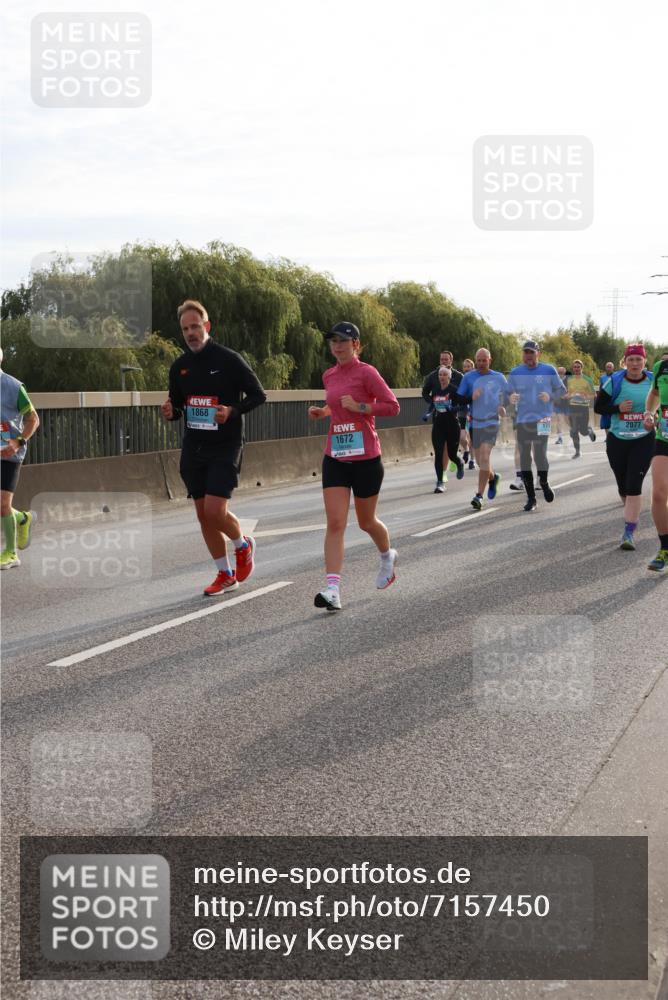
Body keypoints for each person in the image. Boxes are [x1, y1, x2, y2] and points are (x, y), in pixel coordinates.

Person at [161, 299, 267, 595]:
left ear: (206, 327)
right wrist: (172, 413)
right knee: (202, 514)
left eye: (195, 326)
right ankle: (224, 574)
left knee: (215, 510)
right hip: (194, 447)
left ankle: (242, 544)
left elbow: (259, 395)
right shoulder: (179, 367)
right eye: (185, 329)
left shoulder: (229, 359)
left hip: (226, 444)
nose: (191, 333)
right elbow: (179, 407)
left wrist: (231, 411)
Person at [308, 321, 400, 611]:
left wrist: (362, 407)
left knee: (366, 522)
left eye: (344, 341)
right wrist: (323, 411)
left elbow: (392, 405)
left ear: (356, 345)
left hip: (366, 458)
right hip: (335, 455)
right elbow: (336, 405)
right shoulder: (329, 375)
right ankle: (333, 590)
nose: (337, 346)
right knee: (335, 523)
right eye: (333, 341)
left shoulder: (367, 373)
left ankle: (387, 557)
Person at [594, 344, 654, 550]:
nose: (635, 363)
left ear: (644, 362)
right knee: (622, 483)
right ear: (625, 362)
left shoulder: (653, 381)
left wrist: (652, 418)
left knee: (634, 484)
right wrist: (617, 408)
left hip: (644, 439)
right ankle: (626, 500)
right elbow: (598, 407)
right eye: (631, 359)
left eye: (639, 359)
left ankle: (629, 532)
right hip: (618, 439)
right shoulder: (615, 381)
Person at [507, 340, 566, 512]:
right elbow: (507, 393)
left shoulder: (548, 370)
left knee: (540, 455)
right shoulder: (516, 372)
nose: (528, 356)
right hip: (523, 420)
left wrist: (550, 396)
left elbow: (561, 391)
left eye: (531, 352)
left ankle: (544, 482)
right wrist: (511, 398)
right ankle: (531, 498)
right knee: (525, 457)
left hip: (543, 419)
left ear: (538, 353)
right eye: (526, 352)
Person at [0, 349, 39, 569]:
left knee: (2, 504)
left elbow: (33, 419)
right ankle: (23, 518)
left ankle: (10, 552)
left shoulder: (13, 386)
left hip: (10, 453)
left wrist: (18, 441)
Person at [456, 348, 508, 510]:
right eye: (478, 360)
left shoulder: (498, 377)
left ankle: (479, 496)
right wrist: (470, 397)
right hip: (474, 423)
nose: (480, 363)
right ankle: (493, 478)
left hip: (492, 422)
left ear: (489, 360)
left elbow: (509, 395)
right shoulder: (468, 377)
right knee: (480, 462)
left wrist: (502, 406)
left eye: (483, 360)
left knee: (485, 456)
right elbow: (458, 399)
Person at [642, 354, 668, 572]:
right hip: (664, 437)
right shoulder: (662, 367)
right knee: (659, 493)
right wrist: (649, 413)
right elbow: (654, 393)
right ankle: (665, 549)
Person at [427, 366, 464, 493]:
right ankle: (440, 482)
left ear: (449, 377)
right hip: (438, 425)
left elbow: (463, 405)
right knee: (438, 454)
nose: (442, 377)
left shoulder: (454, 390)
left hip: (452, 426)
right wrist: (428, 413)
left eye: (444, 375)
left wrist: (453, 409)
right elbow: (432, 404)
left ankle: (459, 463)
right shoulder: (436, 390)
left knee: (452, 454)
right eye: (440, 375)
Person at [564, 360, 596, 457]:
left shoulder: (588, 380)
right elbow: (566, 393)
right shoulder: (568, 380)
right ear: (573, 368)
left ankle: (588, 431)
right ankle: (577, 452)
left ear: (582, 368)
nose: (576, 369)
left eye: (578, 367)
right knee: (573, 431)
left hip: (583, 408)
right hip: (572, 407)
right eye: (575, 367)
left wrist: (586, 396)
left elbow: (594, 394)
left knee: (583, 431)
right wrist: (566, 396)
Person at [554, 366, 570, 445]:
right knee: (559, 420)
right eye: (558, 372)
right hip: (558, 404)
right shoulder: (554, 380)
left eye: (561, 372)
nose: (559, 374)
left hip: (567, 403)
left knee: (567, 420)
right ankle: (560, 438)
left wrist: (567, 395)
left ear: (564, 372)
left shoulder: (569, 380)